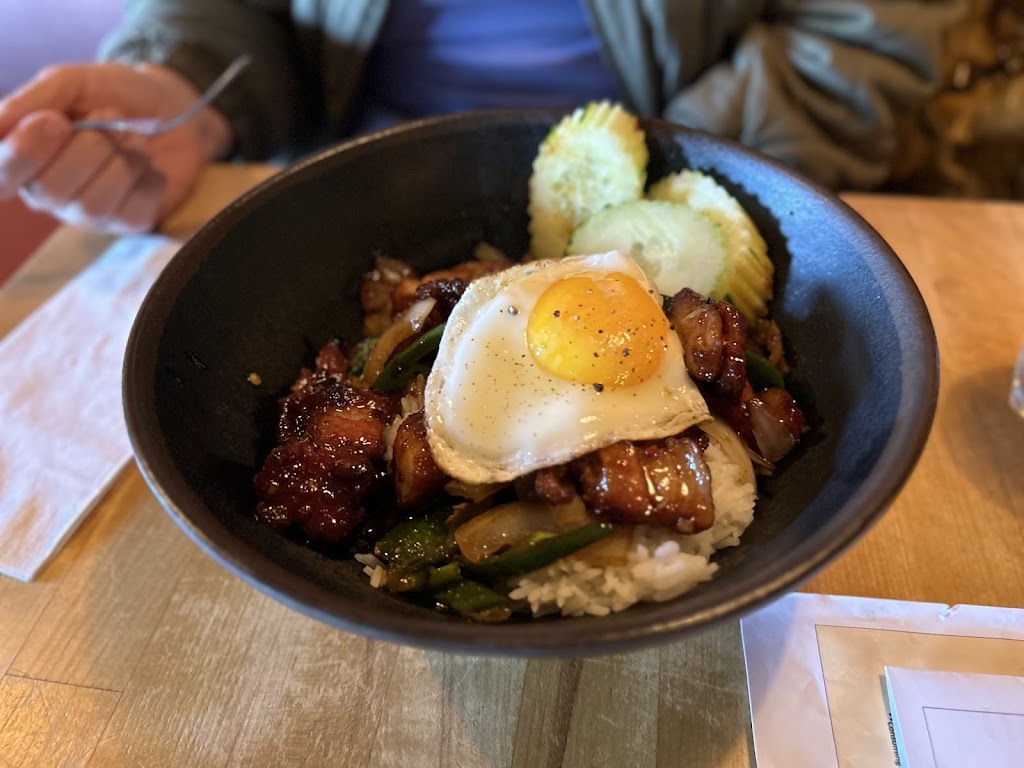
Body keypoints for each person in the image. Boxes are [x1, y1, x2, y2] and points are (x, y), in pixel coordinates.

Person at [0, 0, 965, 235]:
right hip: (354, 189)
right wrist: (183, 83)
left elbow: (866, 33)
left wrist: (667, 185)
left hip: (687, 168)